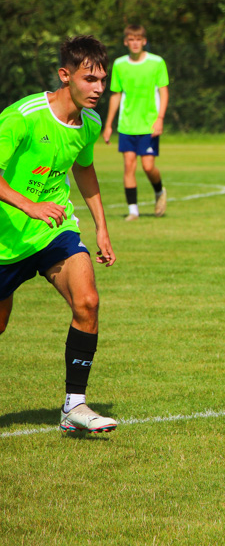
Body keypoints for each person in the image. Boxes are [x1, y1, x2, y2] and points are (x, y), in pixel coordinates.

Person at [0, 35, 117, 433]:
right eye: (90, 79)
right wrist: (28, 205)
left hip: (55, 230)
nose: (99, 88)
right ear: (65, 76)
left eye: (103, 79)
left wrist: (101, 226)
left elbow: (83, 167)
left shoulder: (90, 123)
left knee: (87, 302)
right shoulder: (23, 116)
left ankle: (74, 407)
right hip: (6, 237)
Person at [102, 24, 169, 221]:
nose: (135, 43)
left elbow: (163, 92)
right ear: (126, 42)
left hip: (148, 124)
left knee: (148, 167)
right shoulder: (120, 64)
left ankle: (159, 191)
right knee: (128, 165)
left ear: (144, 41)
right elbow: (116, 95)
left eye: (138, 39)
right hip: (127, 125)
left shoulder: (157, 63)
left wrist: (160, 119)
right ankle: (133, 211)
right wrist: (108, 125)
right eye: (131, 39)